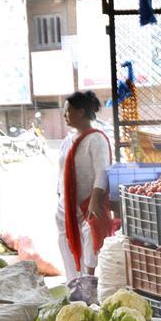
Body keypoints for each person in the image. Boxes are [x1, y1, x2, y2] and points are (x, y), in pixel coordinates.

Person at [55, 91, 114, 279]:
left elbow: (101, 173)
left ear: (81, 112)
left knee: (90, 241)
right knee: (66, 242)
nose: (65, 116)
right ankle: (73, 283)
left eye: (68, 111)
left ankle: (89, 282)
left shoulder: (96, 139)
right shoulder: (67, 141)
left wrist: (95, 202)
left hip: (87, 204)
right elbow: (61, 171)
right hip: (65, 206)